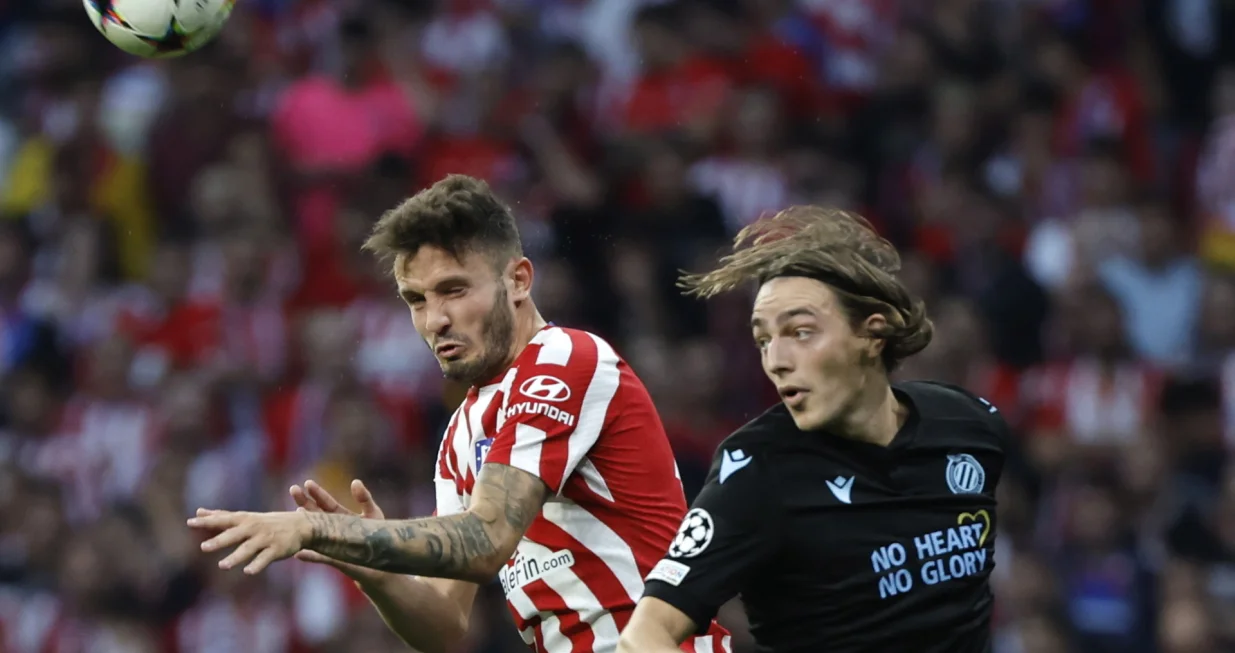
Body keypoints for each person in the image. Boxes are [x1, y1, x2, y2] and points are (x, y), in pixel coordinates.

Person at [186, 174, 731, 653]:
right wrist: (371, 571)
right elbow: (446, 627)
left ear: (518, 280)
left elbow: (484, 542)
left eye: (453, 290)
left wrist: (319, 529)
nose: (435, 320)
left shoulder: (565, 360)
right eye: (416, 300)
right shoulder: (461, 434)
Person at [617, 206, 1008, 653]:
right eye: (763, 339)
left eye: (800, 332)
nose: (776, 361)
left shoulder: (970, 427)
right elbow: (644, 635)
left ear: (872, 334)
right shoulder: (758, 470)